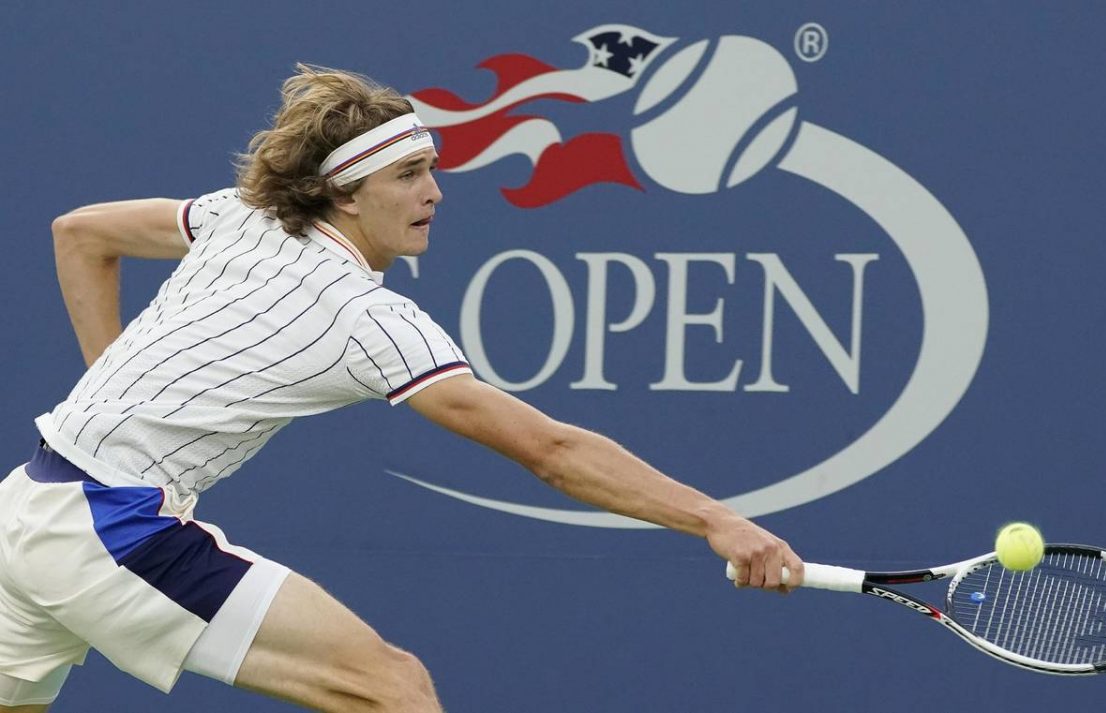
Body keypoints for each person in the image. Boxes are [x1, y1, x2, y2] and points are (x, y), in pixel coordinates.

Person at [0, 64, 803, 712]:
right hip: (112, 528)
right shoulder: (365, 315)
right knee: (393, 690)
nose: (436, 193)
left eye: (433, 170)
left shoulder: (235, 217)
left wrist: (108, 391)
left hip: (25, 507)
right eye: (411, 174)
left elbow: (81, 233)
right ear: (346, 193)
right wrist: (715, 518)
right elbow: (551, 451)